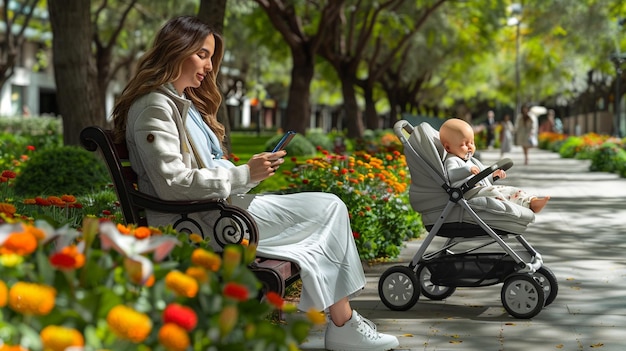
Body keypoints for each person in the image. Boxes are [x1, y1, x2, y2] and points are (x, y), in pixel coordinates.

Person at [111, 16, 398, 351]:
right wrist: (245, 173)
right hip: (201, 223)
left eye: (211, 57)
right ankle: (343, 324)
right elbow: (173, 183)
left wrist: (251, 173)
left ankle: (343, 323)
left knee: (329, 207)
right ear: (178, 49)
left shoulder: (180, 103)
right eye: (203, 54)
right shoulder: (155, 106)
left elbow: (204, 171)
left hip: (217, 211)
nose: (209, 66)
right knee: (329, 208)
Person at [439, 118, 550, 213]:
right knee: (496, 194)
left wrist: (492, 176)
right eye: (464, 144)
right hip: (469, 195)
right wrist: (468, 169)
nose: (470, 147)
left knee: (510, 190)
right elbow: (452, 174)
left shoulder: (470, 160)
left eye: (472, 143)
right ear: (448, 148)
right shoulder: (452, 160)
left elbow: (481, 177)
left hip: (482, 190)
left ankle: (531, 202)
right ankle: (514, 209)